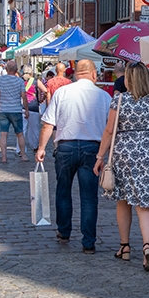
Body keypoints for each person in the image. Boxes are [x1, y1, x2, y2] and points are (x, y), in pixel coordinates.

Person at [94, 62, 149, 272]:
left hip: (123, 154)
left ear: (128, 79)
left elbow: (110, 131)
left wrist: (100, 156)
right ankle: (147, 246)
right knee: (145, 204)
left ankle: (125, 246)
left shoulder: (119, 101)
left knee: (123, 200)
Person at [37, 60, 111, 252]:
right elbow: (110, 129)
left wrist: (41, 148)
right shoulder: (104, 97)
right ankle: (88, 242)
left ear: (76, 74)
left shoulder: (62, 93)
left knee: (63, 191)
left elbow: (48, 124)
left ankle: (64, 230)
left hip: (66, 146)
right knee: (89, 197)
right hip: (92, 149)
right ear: (94, 75)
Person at [0, 60, 29, 163]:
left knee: (3, 134)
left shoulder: (0, 80)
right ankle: (23, 155)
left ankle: (4, 157)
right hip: (16, 110)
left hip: (4, 109)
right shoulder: (20, 81)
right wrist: (26, 109)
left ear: (6, 69)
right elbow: (24, 96)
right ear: (16, 70)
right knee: (20, 134)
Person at [23, 67, 49, 155]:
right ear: (31, 73)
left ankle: (20, 149)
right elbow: (46, 91)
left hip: (21, 107)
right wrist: (42, 99)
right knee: (34, 129)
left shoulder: (20, 80)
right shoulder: (36, 81)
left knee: (21, 129)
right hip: (33, 106)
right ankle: (35, 146)